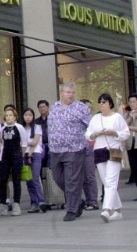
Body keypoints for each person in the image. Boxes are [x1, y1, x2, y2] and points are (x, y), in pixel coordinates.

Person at [48, 82, 91, 222]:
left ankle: (72, 210)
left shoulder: (80, 108)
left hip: (74, 149)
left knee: (72, 180)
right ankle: (78, 201)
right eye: (68, 92)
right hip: (55, 150)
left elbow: (91, 125)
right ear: (61, 93)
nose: (70, 95)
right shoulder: (54, 107)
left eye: (72, 92)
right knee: (58, 178)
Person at [86, 93, 129, 222]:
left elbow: (125, 133)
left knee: (110, 181)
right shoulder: (95, 118)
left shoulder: (117, 117)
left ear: (110, 103)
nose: (101, 104)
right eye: (99, 102)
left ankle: (106, 209)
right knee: (106, 181)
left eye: (104, 102)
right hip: (99, 150)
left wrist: (114, 133)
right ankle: (118, 211)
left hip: (113, 150)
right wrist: (95, 134)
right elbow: (87, 134)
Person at [0, 105, 27, 216]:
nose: (9, 117)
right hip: (5, 156)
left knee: (16, 180)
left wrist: (21, 156)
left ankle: (16, 204)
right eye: (7, 115)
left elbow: (24, 143)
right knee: (3, 180)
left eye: (11, 115)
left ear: (15, 117)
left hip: (16, 155)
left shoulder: (19, 127)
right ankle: (3, 204)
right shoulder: (2, 128)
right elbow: (1, 143)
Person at [22, 108, 47, 213]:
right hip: (24, 155)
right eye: (26, 115)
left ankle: (42, 201)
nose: (28, 117)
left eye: (30, 115)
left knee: (35, 178)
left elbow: (34, 143)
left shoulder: (37, 127)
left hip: (35, 154)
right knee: (28, 180)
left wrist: (29, 154)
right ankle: (34, 203)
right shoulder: (21, 128)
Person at [80, 99, 99, 211]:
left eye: (90, 107)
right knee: (82, 178)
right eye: (87, 107)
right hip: (78, 150)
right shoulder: (76, 119)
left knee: (90, 176)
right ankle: (87, 200)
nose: (89, 109)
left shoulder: (94, 119)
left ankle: (93, 201)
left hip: (90, 149)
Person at [124, 94, 137, 186]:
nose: (132, 104)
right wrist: (130, 118)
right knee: (132, 163)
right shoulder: (127, 114)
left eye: (134, 102)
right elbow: (123, 126)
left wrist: (128, 127)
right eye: (130, 102)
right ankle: (133, 178)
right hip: (130, 142)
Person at [35, 100, 50, 167]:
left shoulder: (52, 119)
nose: (42, 108)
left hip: (50, 145)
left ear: (47, 107)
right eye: (40, 107)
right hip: (40, 145)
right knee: (40, 164)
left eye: (44, 106)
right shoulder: (36, 121)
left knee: (50, 165)